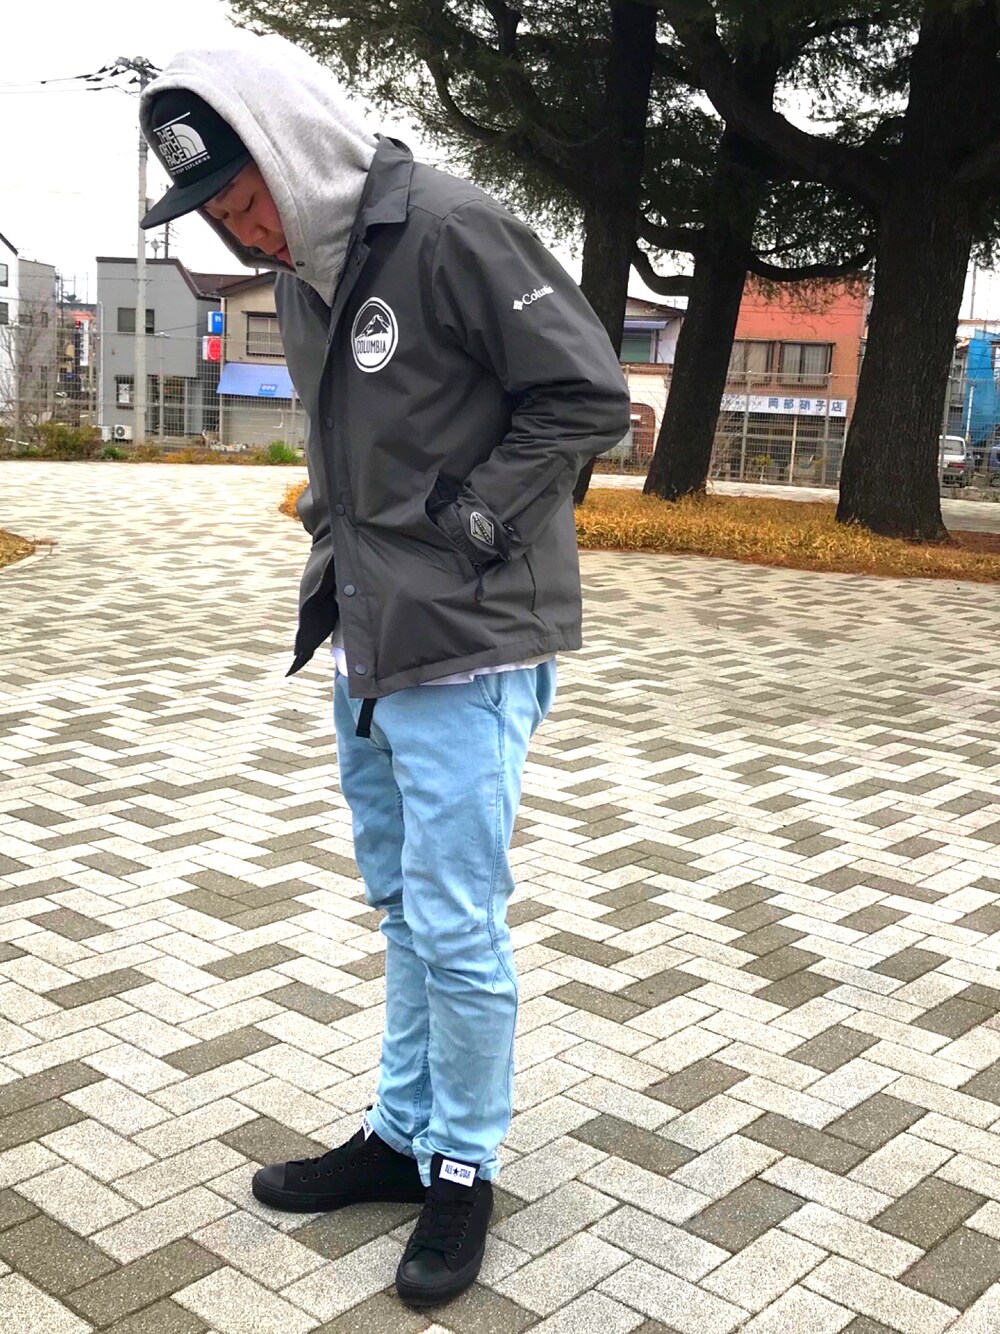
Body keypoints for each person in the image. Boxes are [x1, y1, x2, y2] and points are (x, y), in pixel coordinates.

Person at [139, 35, 629, 1310]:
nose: (239, 225)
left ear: (290, 144)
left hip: (470, 643)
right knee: (405, 906)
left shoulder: (452, 231)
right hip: (370, 642)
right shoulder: (306, 276)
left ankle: (464, 1163)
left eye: (242, 191)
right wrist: (333, 528)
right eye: (212, 209)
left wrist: (472, 521)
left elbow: (586, 395)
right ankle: (402, 1131)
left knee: (457, 920)